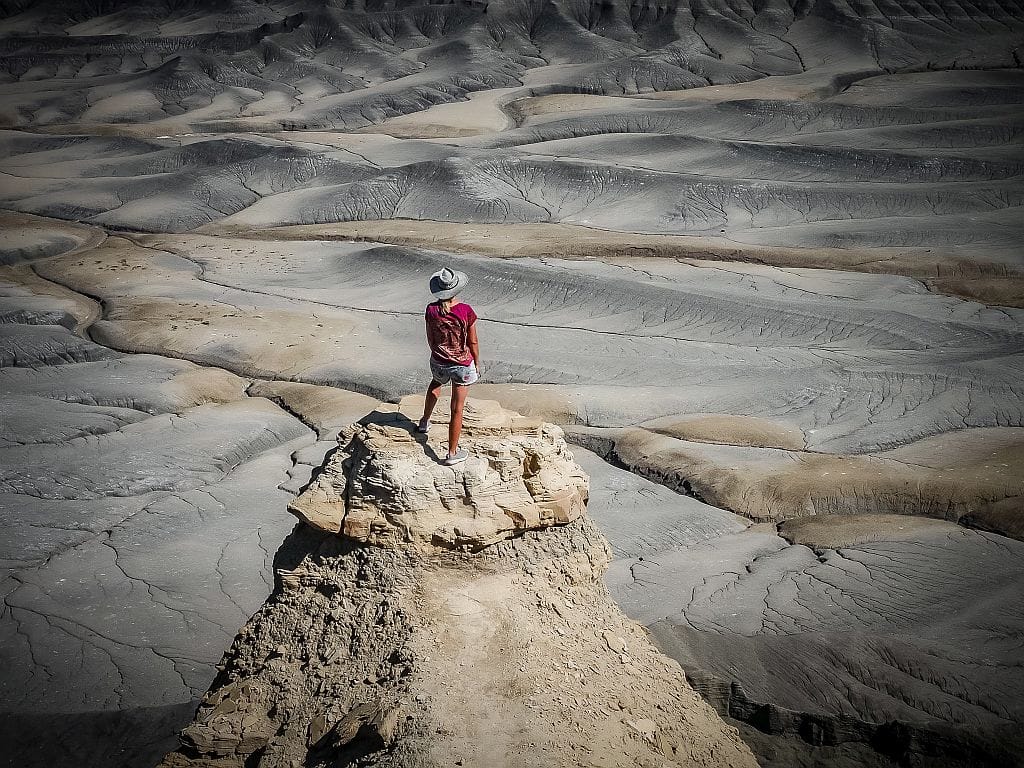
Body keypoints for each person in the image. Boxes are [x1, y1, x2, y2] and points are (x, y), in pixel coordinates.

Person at [419, 267, 481, 465]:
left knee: (435, 384)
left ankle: (424, 422)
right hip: (462, 364)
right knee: (457, 408)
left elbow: (430, 337)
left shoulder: (431, 310)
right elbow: (472, 341)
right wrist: (476, 362)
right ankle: (452, 453)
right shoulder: (466, 311)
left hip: (439, 361)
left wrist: (437, 354)